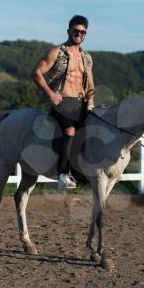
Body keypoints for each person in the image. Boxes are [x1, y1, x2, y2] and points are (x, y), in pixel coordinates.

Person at [32, 15, 95, 190]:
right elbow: (36, 73)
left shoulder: (87, 58)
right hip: (61, 103)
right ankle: (62, 175)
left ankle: (84, 172)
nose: (79, 34)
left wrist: (91, 101)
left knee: (96, 130)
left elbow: (91, 85)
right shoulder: (56, 52)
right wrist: (51, 94)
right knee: (70, 132)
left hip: (81, 104)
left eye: (83, 32)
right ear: (69, 31)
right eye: (76, 31)